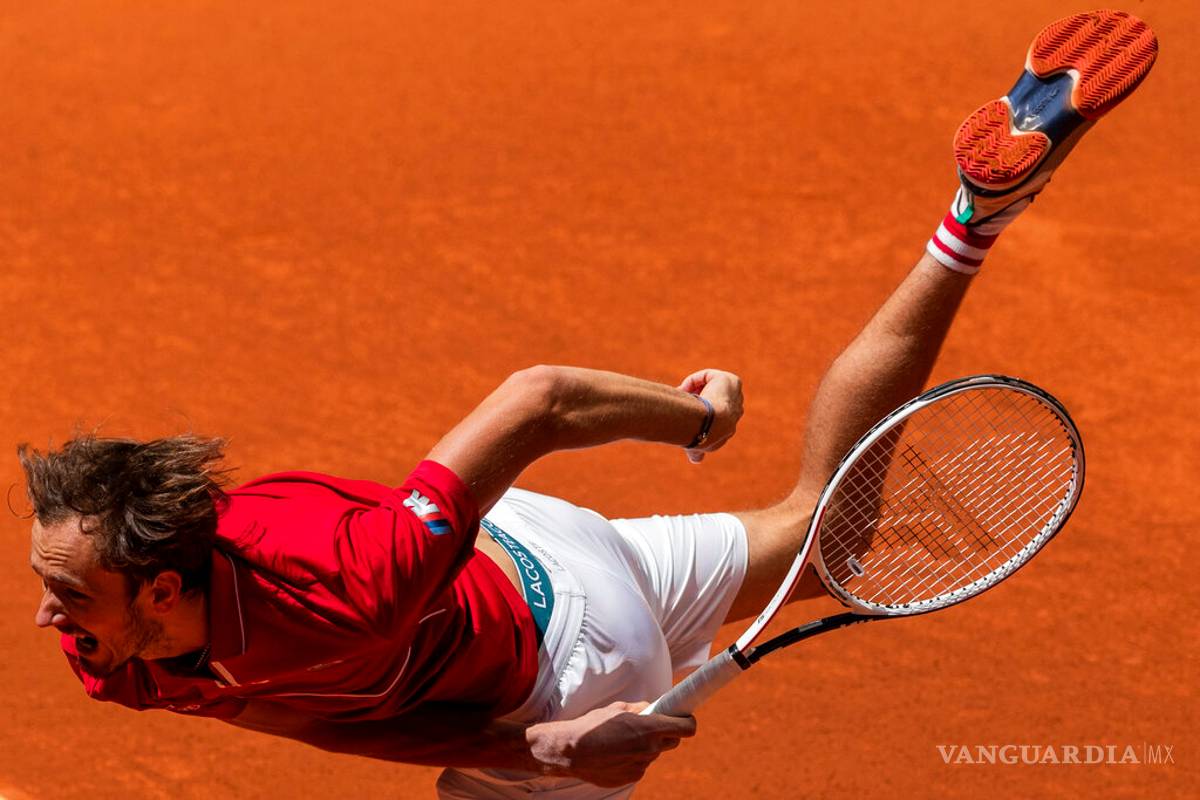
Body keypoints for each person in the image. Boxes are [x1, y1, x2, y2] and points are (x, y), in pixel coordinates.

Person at [22, 10, 1155, 799]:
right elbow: (320, 716)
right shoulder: (118, 650)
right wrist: (521, 749)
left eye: (67, 591)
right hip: (537, 553)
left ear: (160, 585)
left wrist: (697, 421)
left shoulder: (346, 583)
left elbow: (538, 398)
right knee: (826, 535)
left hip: (575, 647)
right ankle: (971, 220)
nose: (46, 617)